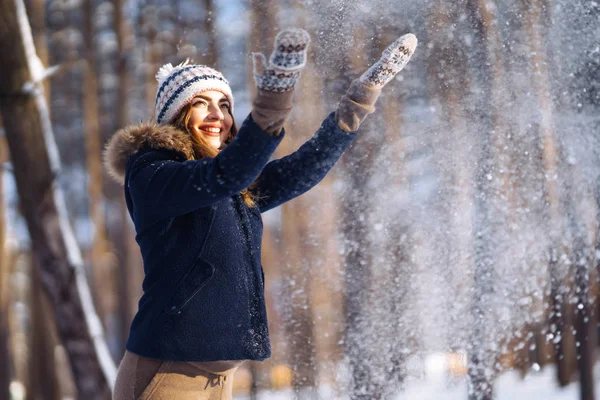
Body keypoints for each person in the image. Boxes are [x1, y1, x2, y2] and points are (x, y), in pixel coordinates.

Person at [105, 27, 417, 400]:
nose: (217, 115)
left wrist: (359, 102)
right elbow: (225, 174)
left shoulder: (231, 188)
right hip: (167, 373)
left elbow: (298, 171)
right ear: (176, 113)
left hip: (219, 378)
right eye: (201, 103)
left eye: (224, 104)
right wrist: (273, 98)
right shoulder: (155, 174)